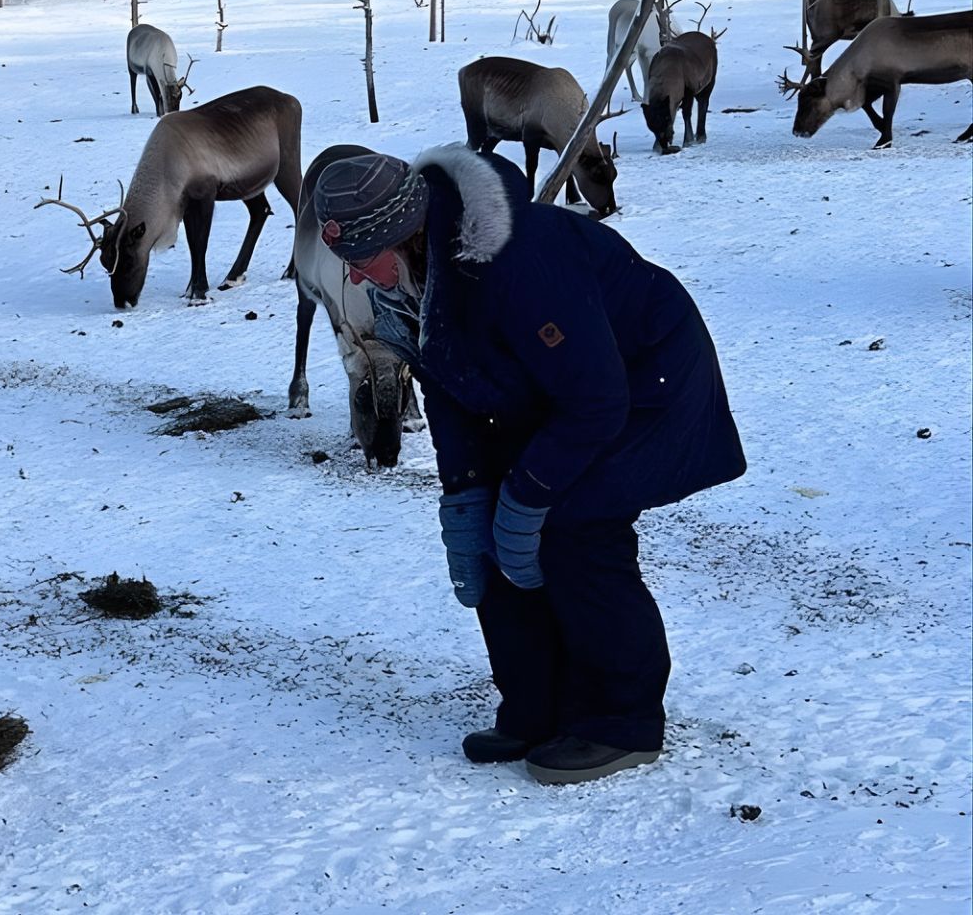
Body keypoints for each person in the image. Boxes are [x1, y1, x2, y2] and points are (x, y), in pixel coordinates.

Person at [310, 144, 745, 785]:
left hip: (642, 380)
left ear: (403, 235)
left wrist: (531, 491)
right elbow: (444, 382)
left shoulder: (518, 260)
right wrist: (466, 490)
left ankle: (620, 723)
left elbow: (596, 398)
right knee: (491, 532)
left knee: (573, 530)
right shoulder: (403, 280)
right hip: (546, 390)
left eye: (359, 260)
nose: (352, 278)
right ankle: (535, 707)